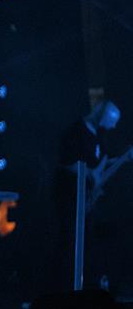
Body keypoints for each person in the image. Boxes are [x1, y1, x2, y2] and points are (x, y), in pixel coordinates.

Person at [51, 100, 123, 290]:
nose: (113, 126)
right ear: (101, 116)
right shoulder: (75, 133)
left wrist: (121, 160)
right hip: (69, 197)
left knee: (87, 242)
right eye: (111, 121)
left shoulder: (99, 136)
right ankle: (62, 288)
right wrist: (90, 173)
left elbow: (100, 161)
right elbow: (65, 162)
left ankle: (87, 285)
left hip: (88, 198)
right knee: (68, 242)